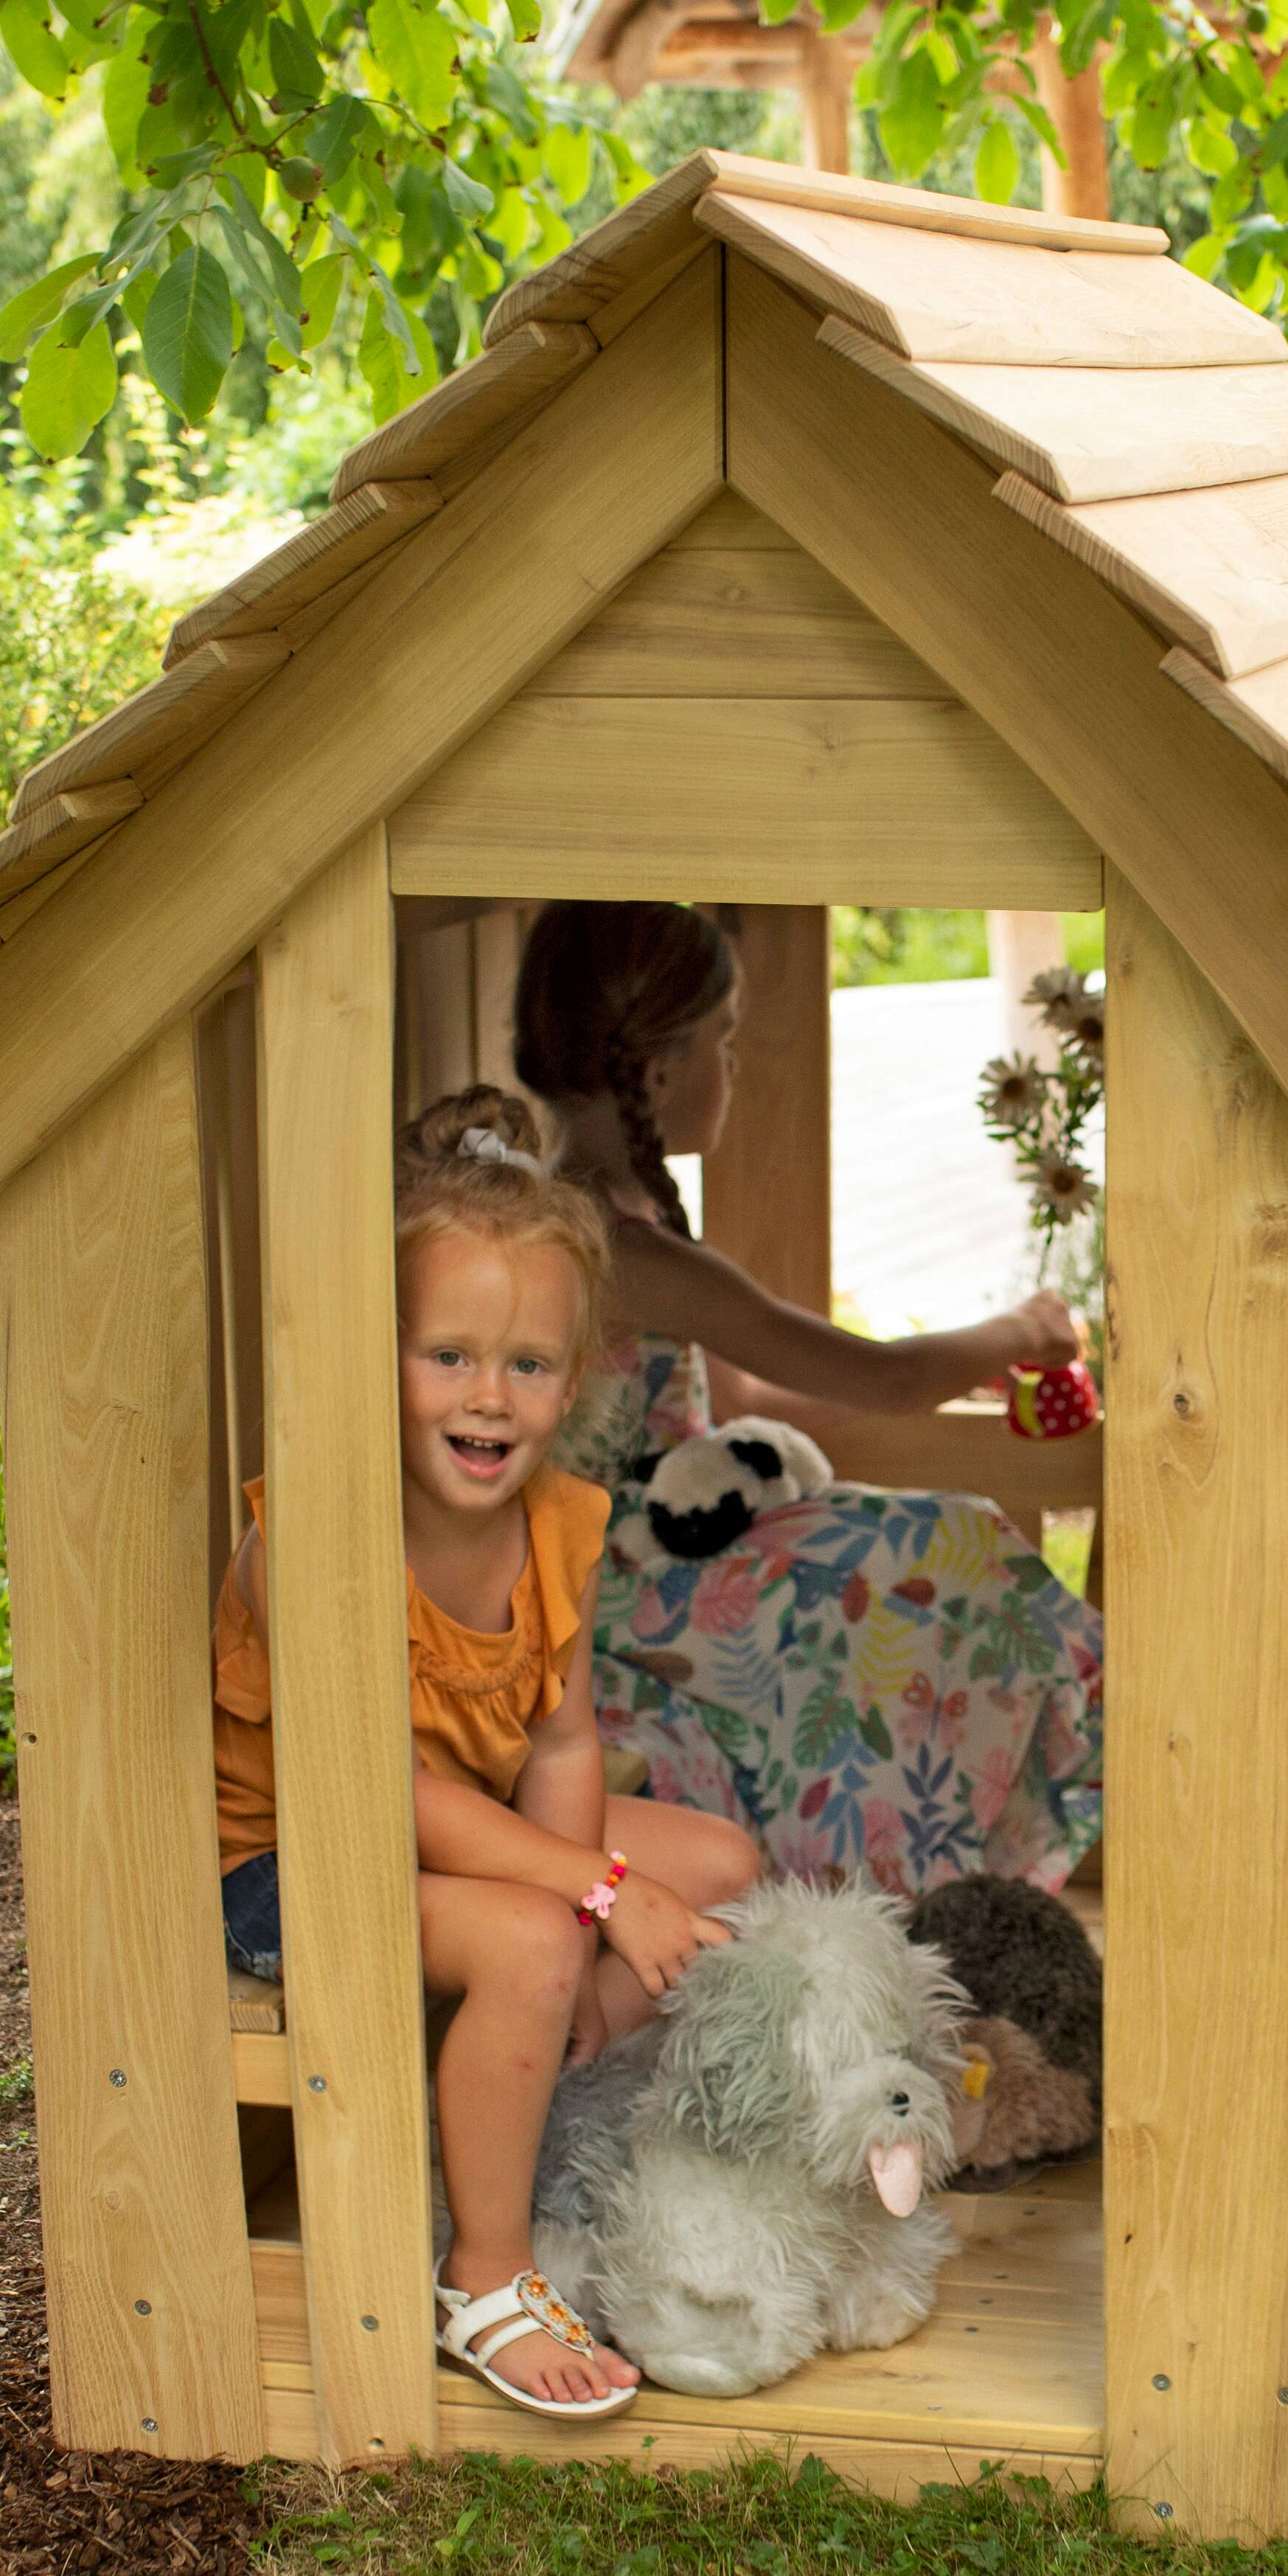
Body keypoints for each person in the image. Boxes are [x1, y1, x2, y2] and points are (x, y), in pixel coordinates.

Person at [209, 1088, 762, 2420]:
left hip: (452, 1826)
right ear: (376, 1357)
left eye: (527, 1365)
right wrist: (594, 1900)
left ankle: (527, 2094)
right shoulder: (320, 1535)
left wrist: (598, 1879)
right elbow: (382, 1802)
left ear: (574, 1384)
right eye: (447, 1356)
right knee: (537, 1934)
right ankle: (488, 2273)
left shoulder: (560, 1524)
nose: (489, 1397)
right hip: (293, 1859)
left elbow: (562, 1739)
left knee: (718, 1860)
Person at [516, 900, 1104, 1897]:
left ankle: (915, 1878)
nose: (735, 1067)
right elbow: (879, 1375)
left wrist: (969, 1366)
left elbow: (751, 1401)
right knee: (962, 1552)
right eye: (725, 1040)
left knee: (929, 1542)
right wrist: (1025, 1331)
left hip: (661, 1552)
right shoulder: (618, 1248)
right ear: (658, 1064)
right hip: (618, 1590)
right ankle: (912, 1884)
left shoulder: (610, 1214)